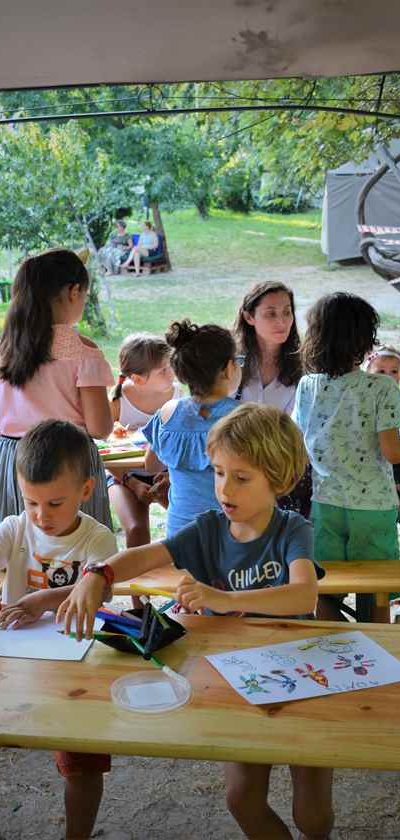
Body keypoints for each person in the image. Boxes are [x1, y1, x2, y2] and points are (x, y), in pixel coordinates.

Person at [57, 404, 333, 840]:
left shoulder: (292, 530)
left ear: (279, 480)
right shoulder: (208, 529)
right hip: (239, 681)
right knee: (241, 799)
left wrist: (222, 599)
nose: (224, 488)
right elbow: (145, 556)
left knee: (312, 815)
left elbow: (303, 594)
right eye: (219, 473)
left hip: (301, 677)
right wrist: (99, 574)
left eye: (241, 478)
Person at [0, 420, 117, 840]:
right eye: (30, 501)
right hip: (16, 666)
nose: (40, 516)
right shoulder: (14, 529)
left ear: (86, 490)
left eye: (54, 503)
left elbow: (100, 589)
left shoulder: (98, 540)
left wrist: (41, 600)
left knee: (81, 764)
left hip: (77, 669)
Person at [293, 293, 400, 622]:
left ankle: (334, 645)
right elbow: (392, 452)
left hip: (326, 503)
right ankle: (375, 646)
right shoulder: (382, 387)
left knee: (327, 589)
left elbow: (297, 441)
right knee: (377, 590)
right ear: (365, 340)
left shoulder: (307, 385)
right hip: (374, 507)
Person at [0, 249, 114, 527]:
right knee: (78, 547)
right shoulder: (83, 352)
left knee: (16, 544)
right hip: (67, 462)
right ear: (74, 291)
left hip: (12, 462)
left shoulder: (6, 346)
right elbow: (100, 427)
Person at [142, 319, 240, 536]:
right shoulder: (244, 417)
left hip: (179, 533)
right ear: (228, 369)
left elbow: (151, 465)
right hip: (230, 534)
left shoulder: (167, 413)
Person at [234, 280, 311, 518]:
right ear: (249, 317)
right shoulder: (231, 363)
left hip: (285, 473)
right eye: (271, 314)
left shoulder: (305, 364)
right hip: (236, 467)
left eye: (287, 312)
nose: (282, 321)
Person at [108, 333, 181, 547]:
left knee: (188, 524)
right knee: (136, 529)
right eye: (163, 370)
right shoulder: (117, 401)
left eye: (170, 365)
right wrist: (133, 483)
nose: (172, 373)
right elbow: (103, 454)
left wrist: (169, 476)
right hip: (123, 476)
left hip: (165, 475)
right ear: (138, 379)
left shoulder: (177, 396)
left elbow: (181, 445)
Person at [362, 345, 400, 501]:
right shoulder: (363, 400)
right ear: (367, 373)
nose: (388, 378)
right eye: (381, 372)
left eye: (394, 371)